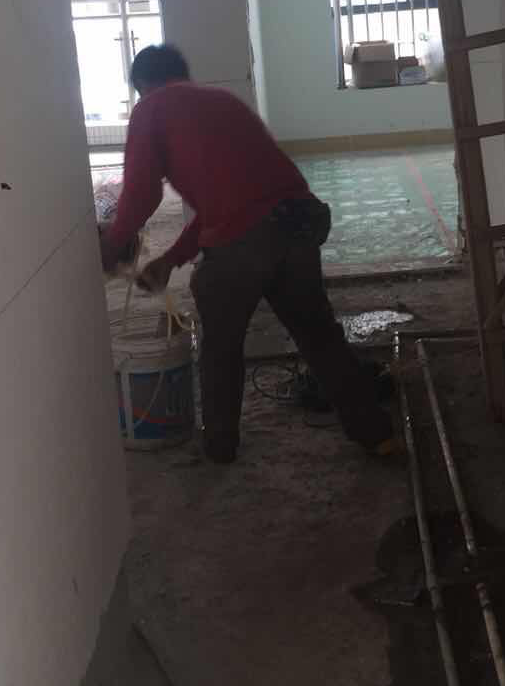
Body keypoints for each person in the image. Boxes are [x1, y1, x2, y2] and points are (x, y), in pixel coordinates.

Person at [99, 44, 397, 464]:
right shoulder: (223, 102)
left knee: (220, 350)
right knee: (320, 337)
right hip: (297, 225)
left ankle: (220, 449)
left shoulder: (152, 108)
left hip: (245, 245)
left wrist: (112, 246)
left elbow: (142, 194)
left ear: (143, 85)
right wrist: (170, 259)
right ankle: (377, 435)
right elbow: (235, 202)